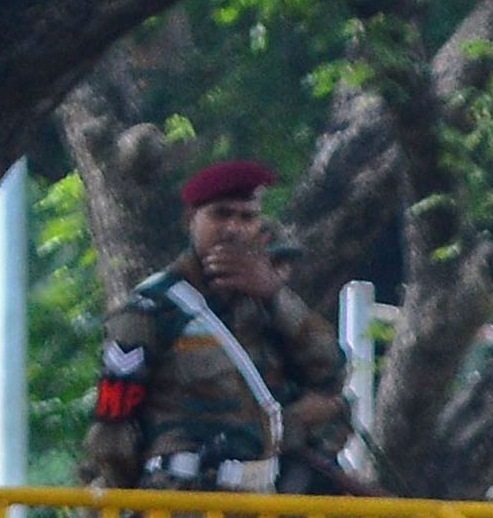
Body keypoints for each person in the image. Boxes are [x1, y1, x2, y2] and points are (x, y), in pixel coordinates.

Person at [90, 160, 350, 496]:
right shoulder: (153, 309)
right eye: (220, 214)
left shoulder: (267, 305)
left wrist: (275, 294)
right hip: (180, 509)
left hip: (263, 510)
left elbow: (329, 373)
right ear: (191, 220)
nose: (233, 228)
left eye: (247, 217)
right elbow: (113, 430)